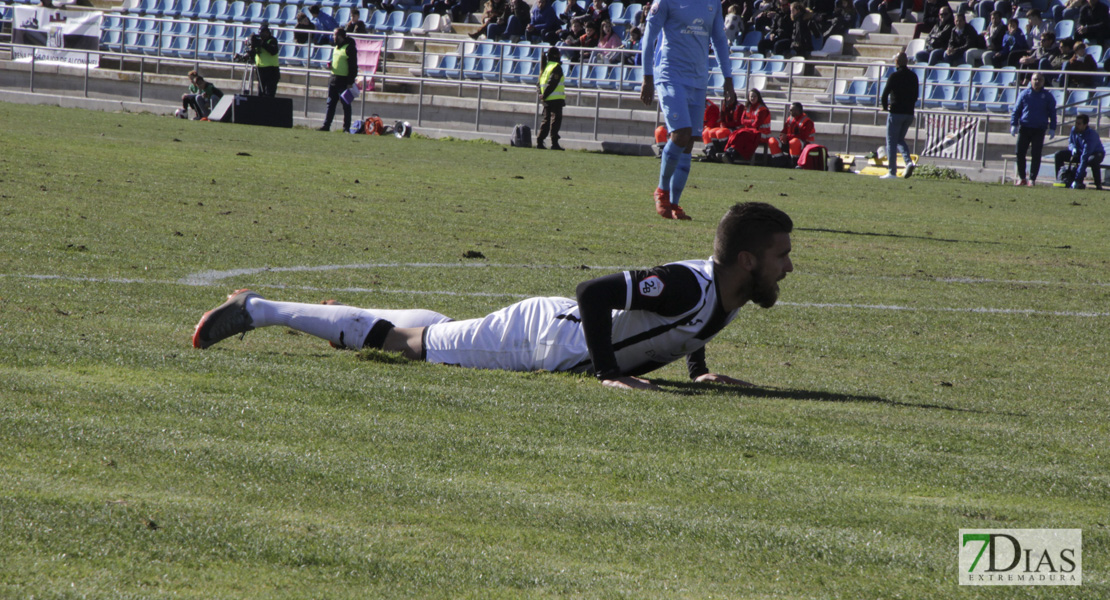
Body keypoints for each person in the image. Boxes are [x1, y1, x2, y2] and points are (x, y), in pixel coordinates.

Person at [192, 202, 795, 392]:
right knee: (413, 346)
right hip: (543, 338)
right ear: (747, 260)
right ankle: (258, 309)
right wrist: (610, 373)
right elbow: (593, 293)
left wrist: (700, 371)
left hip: (548, 334)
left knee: (440, 330)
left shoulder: (731, 290)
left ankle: (322, 313)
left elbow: (690, 326)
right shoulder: (692, 283)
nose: (787, 266)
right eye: (780, 255)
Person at [641, 0, 734, 221]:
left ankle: (674, 203)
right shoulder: (665, 2)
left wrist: (728, 79)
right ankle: (661, 191)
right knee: (680, 133)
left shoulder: (712, 3)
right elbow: (649, 36)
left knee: (690, 140)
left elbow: (720, 40)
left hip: (698, 78)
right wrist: (647, 77)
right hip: (670, 74)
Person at [1010, 72, 1057, 187]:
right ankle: (1022, 178)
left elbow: (1052, 112)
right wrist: (1014, 124)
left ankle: (1032, 178)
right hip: (1025, 127)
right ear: (1031, 80)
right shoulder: (1024, 94)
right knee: (1020, 153)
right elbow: (1016, 110)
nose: (1037, 82)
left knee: (1036, 154)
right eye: (1035, 79)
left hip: (1039, 129)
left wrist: (1052, 127)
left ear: (1043, 81)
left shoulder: (1047, 96)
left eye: (1039, 80)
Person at [880, 51, 918, 179]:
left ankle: (892, 172)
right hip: (909, 113)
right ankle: (908, 162)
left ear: (896, 62)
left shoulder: (894, 76)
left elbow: (885, 95)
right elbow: (915, 96)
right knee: (900, 140)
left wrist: (885, 107)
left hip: (896, 113)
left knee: (891, 141)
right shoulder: (913, 76)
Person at [318, 28, 359, 133]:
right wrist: (331, 64)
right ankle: (326, 125)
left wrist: (350, 82)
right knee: (330, 103)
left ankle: (346, 128)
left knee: (346, 105)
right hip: (333, 79)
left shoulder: (349, 48)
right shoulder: (336, 47)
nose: (333, 37)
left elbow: (353, 66)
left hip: (344, 81)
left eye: (334, 35)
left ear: (340, 36)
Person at [1054, 115, 1105, 190]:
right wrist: (1073, 148)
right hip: (1079, 152)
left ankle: (1098, 184)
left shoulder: (1091, 136)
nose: (1076, 125)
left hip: (1095, 153)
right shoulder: (1074, 130)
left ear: (1085, 125)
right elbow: (1071, 142)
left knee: (1091, 160)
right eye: (1076, 123)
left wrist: (1077, 179)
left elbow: (1085, 157)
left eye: (1079, 124)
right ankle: (1060, 179)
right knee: (1058, 155)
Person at [723, 88, 771, 163]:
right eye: (751, 96)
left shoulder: (762, 109)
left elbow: (756, 124)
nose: (752, 98)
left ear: (758, 97)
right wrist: (751, 121)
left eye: (754, 96)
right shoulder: (747, 107)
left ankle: (731, 154)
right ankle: (730, 152)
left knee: (742, 135)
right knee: (736, 134)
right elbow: (742, 121)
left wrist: (748, 122)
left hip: (762, 133)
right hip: (750, 131)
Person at [535, 46, 566, 150]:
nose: (560, 55)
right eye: (558, 53)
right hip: (555, 99)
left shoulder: (546, 66)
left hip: (546, 99)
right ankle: (554, 143)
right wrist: (545, 94)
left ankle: (540, 141)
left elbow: (538, 84)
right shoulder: (556, 66)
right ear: (555, 55)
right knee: (555, 121)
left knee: (546, 120)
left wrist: (541, 95)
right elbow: (553, 82)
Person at [248, 22, 280, 98]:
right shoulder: (257, 41)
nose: (263, 35)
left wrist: (262, 43)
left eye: (265, 32)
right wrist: (252, 45)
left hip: (272, 70)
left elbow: (273, 51)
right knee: (261, 93)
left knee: (269, 94)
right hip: (260, 70)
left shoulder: (272, 40)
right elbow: (253, 54)